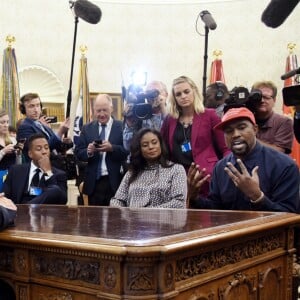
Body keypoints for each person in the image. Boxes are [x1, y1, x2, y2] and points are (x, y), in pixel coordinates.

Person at [187, 107, 299, 213]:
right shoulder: (221, 168)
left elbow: (289, 215)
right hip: (231, 232)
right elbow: (216, 210)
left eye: (241, 127)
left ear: (255, 130)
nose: (235, 134)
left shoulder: (284, 165)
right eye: (229, 131)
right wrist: (194, 197)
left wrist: (258, 197)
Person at [161, 75, 230, 203]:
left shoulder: (210, 115)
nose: (183, 96)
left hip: (206, 176)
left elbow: (225, 148)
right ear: (174, 98)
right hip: (178, 178)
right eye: (178, 94)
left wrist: (225, 171)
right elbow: (163, 150)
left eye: (186, 92)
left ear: (194, 91)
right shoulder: (169, 119)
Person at [110, 128, 187, 208]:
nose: (151, 147)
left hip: (163, 219)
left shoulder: (176, 169)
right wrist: (127, 214)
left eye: (154, 143)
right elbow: (117, 200)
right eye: (145, 145)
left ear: (160, 144)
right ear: (139, 149)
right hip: (132, 219)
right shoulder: (132, 172)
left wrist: (146, 214)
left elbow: (179, 203)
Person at [74, 94, 128, 206]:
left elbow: (127, 151)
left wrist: (112, 148)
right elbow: (78, 153)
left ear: (111, 109)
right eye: (98, 111)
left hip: (114, 182)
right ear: (94, 110)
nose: (101, 114)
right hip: (93, 183)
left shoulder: (122, 127)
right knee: (94, 221)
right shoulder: (87, 128)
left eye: (105, 110)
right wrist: (89, 151)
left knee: (115, 220)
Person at [3, 133, 67, 205]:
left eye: (46, 148)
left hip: (45, 213)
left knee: (55, 190)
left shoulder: (60, 174)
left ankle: (26, 208)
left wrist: (48, 172)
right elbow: (5, 196)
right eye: (39, 149)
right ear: (30, 154)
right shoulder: (15, 171)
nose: (44, 152)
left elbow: (62, 200)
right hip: (18, 213)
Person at [16, 92, 72, 161]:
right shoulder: (24, 127)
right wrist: (60, 133)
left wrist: (67, 143)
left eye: (38, 105)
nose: (36, 110)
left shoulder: (43, 126)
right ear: (23, 109)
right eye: (31, 106)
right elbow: (39, 149)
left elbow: (57, 148)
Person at [123, 80, 168, 151]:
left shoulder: (174, 115)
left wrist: (163, 109)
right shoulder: (140, 115)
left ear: (166, 94)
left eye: (155, 92)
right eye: (148, 94)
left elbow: (174, 142)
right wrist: (129, 123)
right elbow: (128, 146)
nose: (152, 97)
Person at [251, 80, 293, 154]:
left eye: (266, 97)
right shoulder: (247, 120)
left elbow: (280, 152)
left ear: (274, 100)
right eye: (258, 97)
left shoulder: (284, 122)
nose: (262, 100)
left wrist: (250, 139)